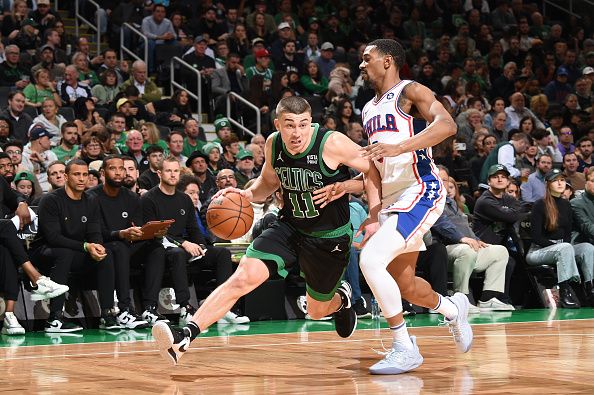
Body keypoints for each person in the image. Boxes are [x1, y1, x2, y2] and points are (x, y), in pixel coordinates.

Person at [151, 96, 382, 365]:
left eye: (303, 125)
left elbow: (373, 169)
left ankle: (341, 301)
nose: (297, 133)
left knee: (317, 311)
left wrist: (373, 213)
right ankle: (184, 336)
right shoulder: (274, 144)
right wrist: (245, 194)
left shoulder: (332, 143)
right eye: (290, 125)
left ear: (311, 123)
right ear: (278, 125)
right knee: (243, 277)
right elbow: (267, 183)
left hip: (327, 238)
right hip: (289, 227)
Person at [313, 39, 472, 375]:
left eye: (366, 59)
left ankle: (404, 346)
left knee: (370, 260)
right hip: (391, 200)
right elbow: (375, 170)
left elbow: (447, 126)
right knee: (405, 286)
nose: (361, 65)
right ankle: (454, 309)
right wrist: (353, 194)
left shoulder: (410, 91)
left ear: (387, 61)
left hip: (422, 188)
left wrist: (401, 147)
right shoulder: (368, 108)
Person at [29, 159, 119, 332]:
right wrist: (86, 247)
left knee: (106, 254)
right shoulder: (50, 200)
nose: (81, 179)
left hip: (75, 250)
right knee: (65, 253)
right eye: (77, 174)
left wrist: (97, 247)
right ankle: (54, 319)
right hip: (44, 252)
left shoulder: (91, 200)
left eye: (85, 174)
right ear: (66, 176)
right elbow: (53, 238)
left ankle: (107, 314)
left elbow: (94, 232)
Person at [87, 155, 165, 328]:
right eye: (112, 168)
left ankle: (150, 308)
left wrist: (148, 232)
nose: (118, 172)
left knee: (156, 248)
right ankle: (124, 310)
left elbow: (135, 226)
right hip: (101, 247)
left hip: (125, 245)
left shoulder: (132, 198)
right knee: (118, 247)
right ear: (103, 173)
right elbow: (95, 233)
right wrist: (121, 234)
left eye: (121, 168)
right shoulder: (91, 197)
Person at [527, 168, 594, 308]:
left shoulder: (566, 205)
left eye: (562, 180)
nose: (560, 183)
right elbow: (536, 237)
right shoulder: (540, 205)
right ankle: (565, 292)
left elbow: (567, 234)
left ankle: (591, 288)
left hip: (563, 248)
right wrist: (557, 245)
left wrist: (563, 246)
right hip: (538, 251)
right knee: (565, 247)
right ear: (547, 184)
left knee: (587, 248)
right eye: (555, 180)